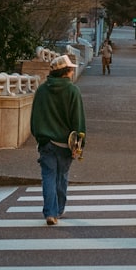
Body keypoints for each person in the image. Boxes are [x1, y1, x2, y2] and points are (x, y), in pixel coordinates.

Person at [30, 54, 86, 226]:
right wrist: (79, 144)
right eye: (70, 70)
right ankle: (59, 209)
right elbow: (78, 120)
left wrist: (39, 136)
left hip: (46, 141)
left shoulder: (41, 90)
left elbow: (34, 119)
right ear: (66, 72)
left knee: (48, 176)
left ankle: (50, 212)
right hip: (65, 143)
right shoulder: (72, 91)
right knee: (62, 177)